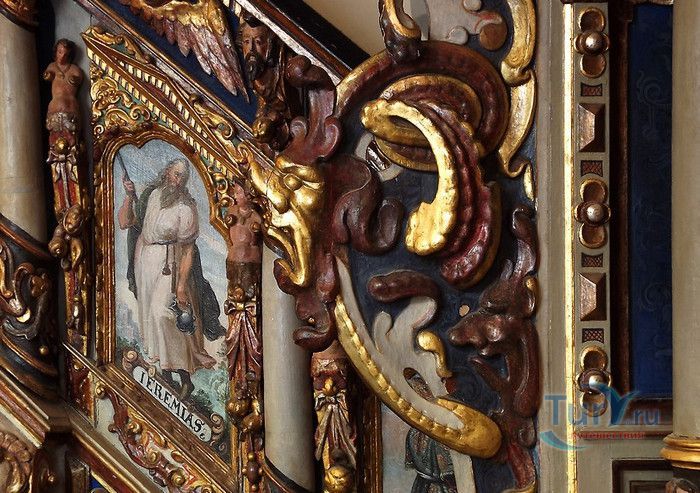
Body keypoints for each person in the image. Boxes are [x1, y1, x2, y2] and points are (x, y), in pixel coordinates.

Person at [118, 158, 224, 400]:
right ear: (167, 172)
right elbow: (125, 222)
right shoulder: (152, 195)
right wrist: (129, 196)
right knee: (151, 320)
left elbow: (188, 250)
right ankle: (166, 377)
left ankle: (185, 379)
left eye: (182, 177)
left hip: (171, 265)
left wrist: (182, 285)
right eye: (176, 174)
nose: (178, 180)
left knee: (164, 314)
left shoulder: (186, 207)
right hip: (145, 263)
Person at [43, 39, 84, 140]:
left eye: (65, 54)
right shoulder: (52, 66)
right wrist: (48, 75)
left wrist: (74, 80)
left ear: (69, 55)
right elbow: (46, 76)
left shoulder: (74, 69)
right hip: (55, 109)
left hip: (70, 109)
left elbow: (79, 79)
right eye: (60, 52)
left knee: (72, 139)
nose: (62, 56)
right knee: (54, 140)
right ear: (55, 52)